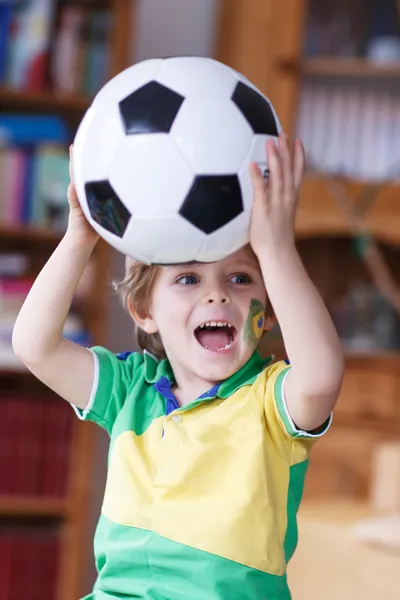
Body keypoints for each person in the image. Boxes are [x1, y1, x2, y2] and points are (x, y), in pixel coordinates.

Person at [12, 134, 344, 600]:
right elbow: (34, 347)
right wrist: (79, 238)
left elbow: (323, 377)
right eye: (188, 278)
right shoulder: (131, 390)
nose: (218, 294)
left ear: (267, 312)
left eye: (240, 277)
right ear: (143, 311)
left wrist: (276, 250)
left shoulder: (270, 401)